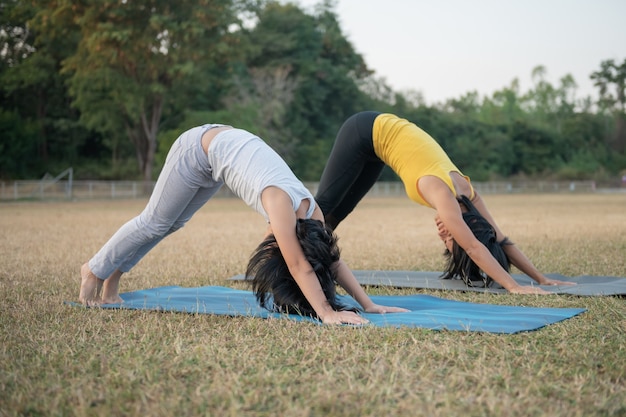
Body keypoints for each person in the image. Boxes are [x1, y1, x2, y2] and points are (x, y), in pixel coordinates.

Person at [79, 124, 408, 324]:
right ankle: (94, 270)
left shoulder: (314, 215)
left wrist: (369, 304)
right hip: (197, 148)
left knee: (170, 224)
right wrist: (327, 312)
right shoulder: (281, 203)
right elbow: (298, 264)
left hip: (218, 153)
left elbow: (330, 261)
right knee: (155, 221)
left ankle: (112, 280)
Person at [315, 111, 575, 294]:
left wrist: (540, 278)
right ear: (465, 229)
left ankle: (309, 267)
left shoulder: (468, 194)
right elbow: (474, 247)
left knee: (335, 216)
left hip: (378, 146)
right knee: (321, 209)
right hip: (364, 129)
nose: (443, 238)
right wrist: (514, 286)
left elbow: (500, 239)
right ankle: (281, 255)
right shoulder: (444, 194)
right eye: (451, 243)